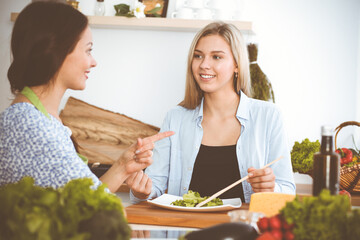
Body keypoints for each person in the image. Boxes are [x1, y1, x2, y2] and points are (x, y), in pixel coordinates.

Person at [0, 1, 173, 192]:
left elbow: (83, 198)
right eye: (88, 50)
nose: (93, 62)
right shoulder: (33, 127)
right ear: (57, 51)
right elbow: (92, 209)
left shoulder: (35, 119)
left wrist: (123, 166)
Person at [128, 22, 295, 204]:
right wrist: (141, 191)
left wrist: (272, 188)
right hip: (184, 230)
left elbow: (287, 193)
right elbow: (154, 189)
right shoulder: (175, 118)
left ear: (237, 65)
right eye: (198, 56)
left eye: (216, 57)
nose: (204, 65)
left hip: (243, 230)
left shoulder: (269, 116)